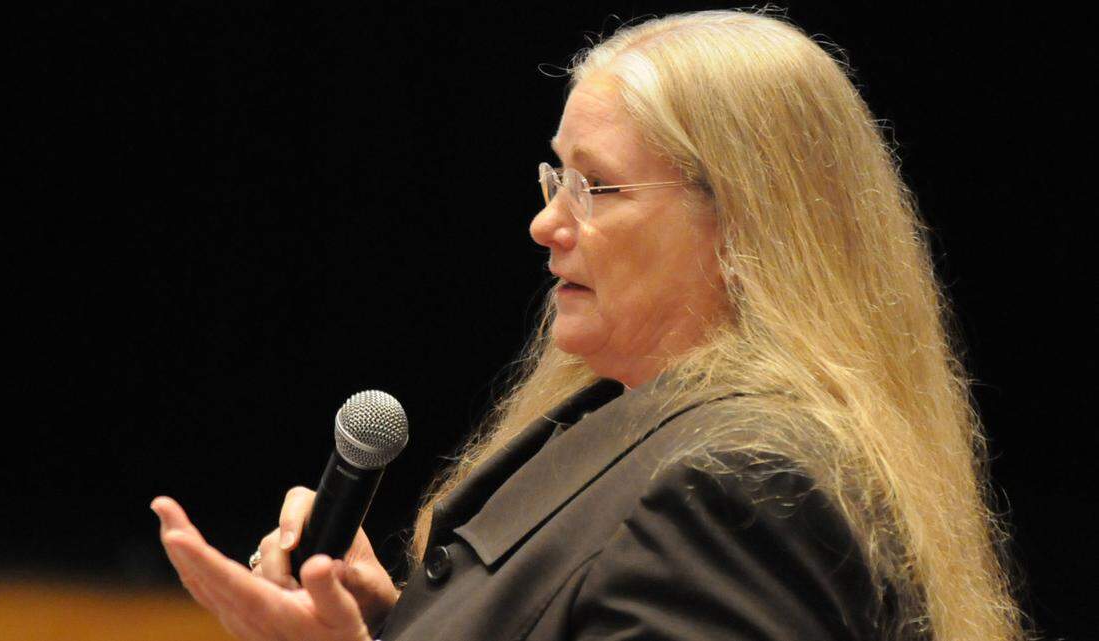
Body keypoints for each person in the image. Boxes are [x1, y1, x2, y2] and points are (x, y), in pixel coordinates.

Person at [152, 9, 1028, 641]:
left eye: (595, 186)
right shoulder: (648, 430)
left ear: (747, 221)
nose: (547, 224)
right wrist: (396, 624)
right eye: (555, 178)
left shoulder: (743, 486)